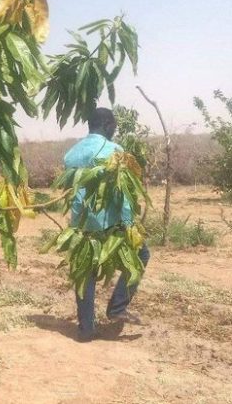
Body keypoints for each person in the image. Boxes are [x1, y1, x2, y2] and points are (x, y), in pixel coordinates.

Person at [63, 107, 150, 343]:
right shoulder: (114, 152)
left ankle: (85, 330)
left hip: (82, 226)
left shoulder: (72, 154)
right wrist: (128, 223)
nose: (115, 130)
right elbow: (122, 192)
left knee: (85, 273)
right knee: (141, 254)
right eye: (114, 126)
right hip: (111, 225)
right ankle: (117, 306)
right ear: (108, 125)